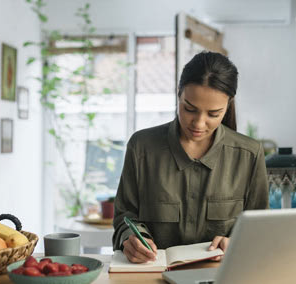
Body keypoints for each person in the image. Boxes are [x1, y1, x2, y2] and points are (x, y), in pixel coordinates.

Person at [113, 51, 269, 263]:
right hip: (152, 275)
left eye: (213, 114)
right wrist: (131, 239)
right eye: (189, 109)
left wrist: (237, 242)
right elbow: (125, 216)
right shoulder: (141, 147)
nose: (198, 123)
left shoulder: (249, 155)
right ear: (178, 94)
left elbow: (259, 230)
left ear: (228, 105)